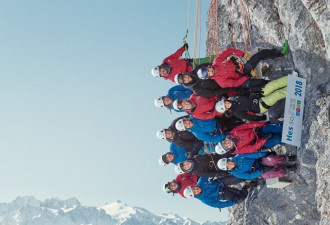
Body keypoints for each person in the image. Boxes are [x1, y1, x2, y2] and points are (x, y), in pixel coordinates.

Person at [205, 42, 290, 90]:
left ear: (208, 67)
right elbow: (236, 83)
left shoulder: (217, 62)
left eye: (208, 70)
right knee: (260, 83)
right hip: (242, 76)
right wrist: (249, 75)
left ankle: (281, 52)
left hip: (242, 67)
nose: (210, 71)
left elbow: (227, 52)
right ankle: (283, 86)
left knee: (259, 55)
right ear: (209, 76)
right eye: (208, 73)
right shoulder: (221, 82)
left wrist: (242, 54)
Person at [216, 76, 288, 122]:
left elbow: (246, 92)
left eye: (225, 102)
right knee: (277, 94)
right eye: (226, 106)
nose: (227, 104)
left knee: (273, 84)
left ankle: (290, 79)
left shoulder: (234, 97)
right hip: (260, 105)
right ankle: (292, 88)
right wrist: (260, 118)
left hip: (258, 94)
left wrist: (257, 88)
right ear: (227, 110)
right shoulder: (236, 112)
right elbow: (249, 117)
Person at [151, 44, 216, 82]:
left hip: (191, 62)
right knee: (208, 71)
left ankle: (219, 57)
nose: (163, 72)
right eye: (161, 74)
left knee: (207, 60)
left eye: (161, 70)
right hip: (193, 71)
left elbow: (175, 55)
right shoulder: (173, 78)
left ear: (161, 67)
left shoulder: (166, 61)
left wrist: (183, 48)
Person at [215, 122, 283, 155]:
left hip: (258, 131)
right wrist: (264, 139)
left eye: (225, 143)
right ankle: (289, 139)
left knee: (273, 127)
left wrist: (263, 124)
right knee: (277, 139)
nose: (227, 143)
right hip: (260, 142)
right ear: (228, 149)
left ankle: (288, 127)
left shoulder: (233, 133)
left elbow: (247, 126)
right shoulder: (238, 150)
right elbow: (252, 148)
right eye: (226, 146)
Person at [217, 152, 297, 180]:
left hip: (259, 161)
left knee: (272, 160)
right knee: (269, 174)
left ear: (229, 160)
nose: (230, 164)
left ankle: (287, 159)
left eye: (228, 162)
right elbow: (249, 176)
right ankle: (287, 169)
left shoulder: (238, 157)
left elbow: (252, 155)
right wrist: (260, 171)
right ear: (228, 169)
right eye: (228, 166)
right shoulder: (237, 173)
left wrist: (264, 154)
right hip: (258, 171)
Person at [174, 65, 240, 98]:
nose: (186, 78)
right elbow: (213, 93)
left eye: (184, 77)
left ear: (185, 74)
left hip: (224, 74)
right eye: (184, 80)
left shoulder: (197, 69)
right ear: (184, 83)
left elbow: (211, 65)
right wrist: (228, 89)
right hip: (225, 85)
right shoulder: (197, 90)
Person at [175, 154, 244, 185]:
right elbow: (211, 174)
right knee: (235, 173)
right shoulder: (198, 172)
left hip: (218, 156)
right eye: (185, 168)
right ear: (187, 171)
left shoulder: (193, 157)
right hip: (221, 167)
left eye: (184, 164)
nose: (186, 165)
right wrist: (223, 173)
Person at [183, 177, 248, 209]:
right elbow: (219, 205)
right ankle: (246, 187)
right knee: (240, 199)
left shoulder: (200, 182)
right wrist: (234, 201)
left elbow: (205, 175)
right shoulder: (205, 199)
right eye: (194, 192)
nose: (196, 189)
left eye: (194, 188)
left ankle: (248, 177)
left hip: (220, 182)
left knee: (236, 178)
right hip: (223, 193)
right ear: (195, 195)